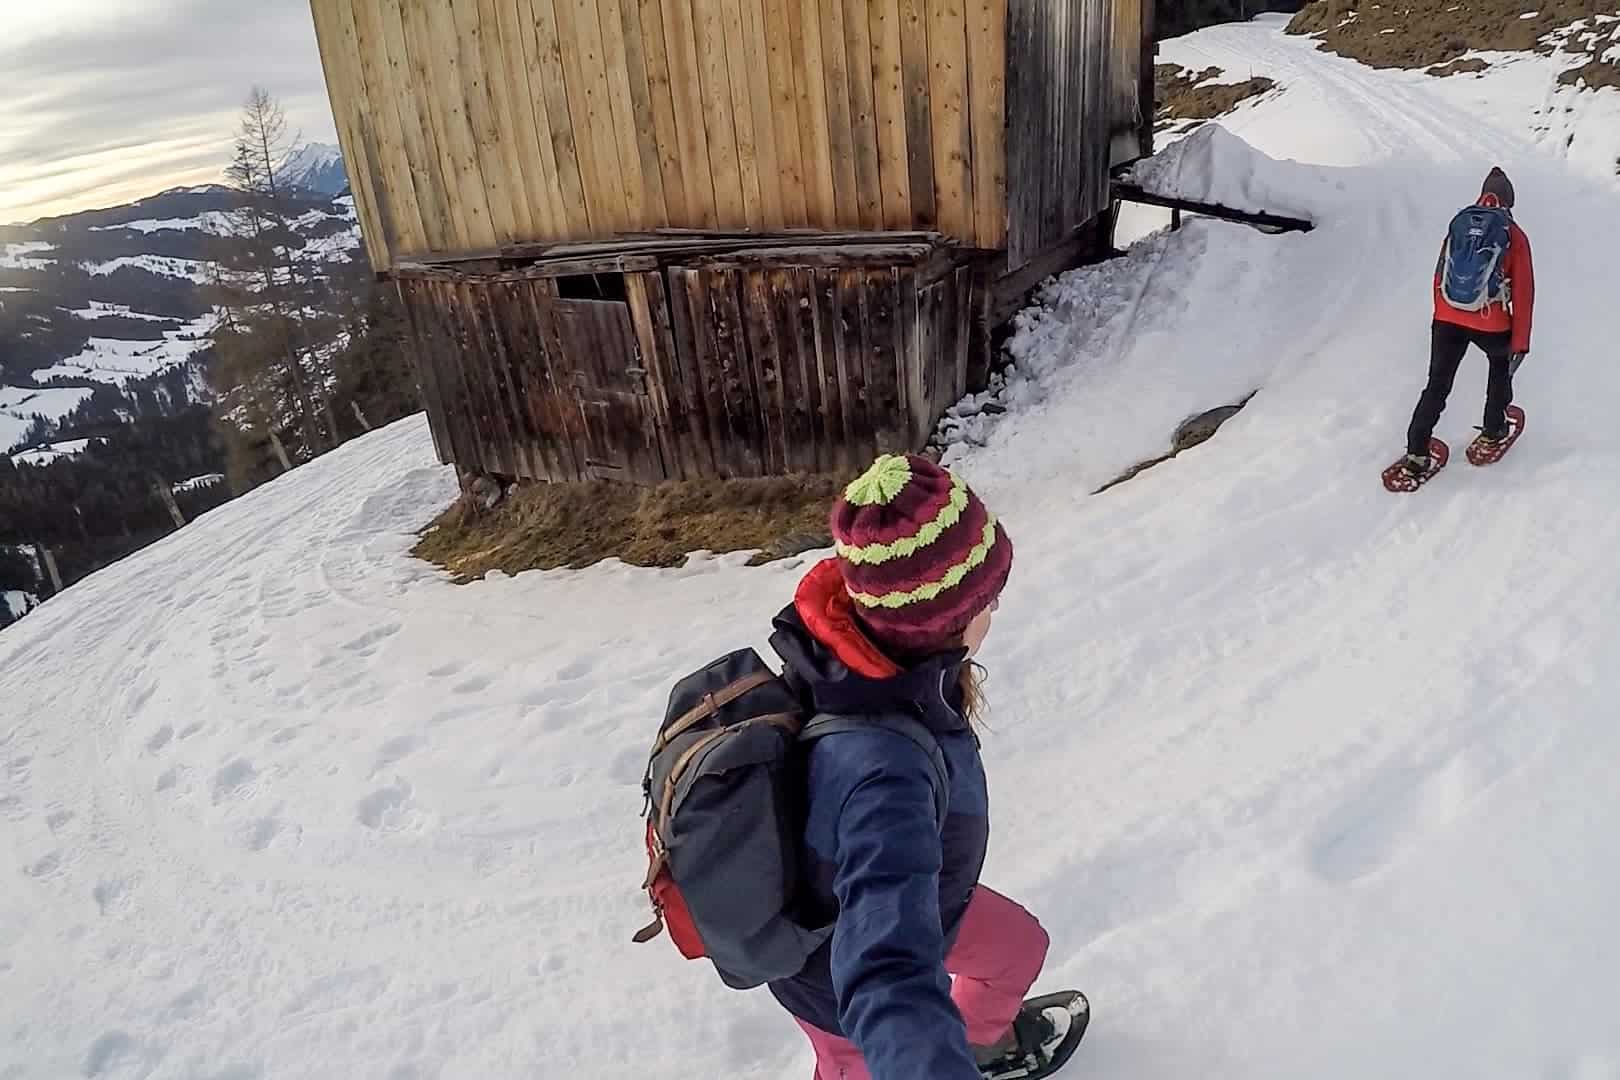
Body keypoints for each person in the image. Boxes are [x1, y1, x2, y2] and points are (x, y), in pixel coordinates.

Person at [764, 452, 1051, 1080]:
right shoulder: (881, 770)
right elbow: (886, 970)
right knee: (858, 1063)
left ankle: (965, 1044)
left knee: (1019, 948)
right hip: (836, 978)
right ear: (940, 618)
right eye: (987, 600)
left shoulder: (874, 656)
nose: (995, 612)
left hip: (924, 904)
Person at [1404, 166, 1534, 474]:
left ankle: (1417, 452)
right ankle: (1493, 431)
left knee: (1437, 383)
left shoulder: (1460, 224)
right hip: (1491, 321)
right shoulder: (1513, 234)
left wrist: (1443, 315)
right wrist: (1521, 342)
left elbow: (1440, 274)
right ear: (1509, 201)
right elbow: (1525, 293)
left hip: (1447, 318)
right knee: (1500, 370)